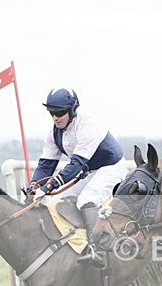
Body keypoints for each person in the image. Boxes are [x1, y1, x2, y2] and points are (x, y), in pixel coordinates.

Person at [27, 87, 128, 268]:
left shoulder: (88, 124)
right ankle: (72, 243)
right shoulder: (53, 132)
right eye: (51, 113)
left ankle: (96, 250)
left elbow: (76, 164)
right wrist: (34, 185)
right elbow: (46, 164)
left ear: (72, 111)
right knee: (57, 200)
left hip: (110, 167)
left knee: (86, 199)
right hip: (89, 172)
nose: (55, 118)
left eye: (59, 113)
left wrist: (49, 186)